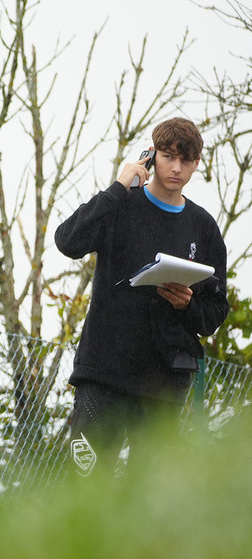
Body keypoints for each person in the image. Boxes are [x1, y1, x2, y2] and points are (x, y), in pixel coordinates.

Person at [54, 117, 228, 477]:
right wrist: (118, 187)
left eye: (186, 160)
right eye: (168, 156)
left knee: (148, 498)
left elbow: (214, 312)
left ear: (197, 163)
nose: (176, 168)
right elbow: (67, 241)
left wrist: (188, 304)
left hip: (164, 385)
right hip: (104, 373)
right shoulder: (119, 205)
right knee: (84, 488)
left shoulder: (204, 228)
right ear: (152, 156)